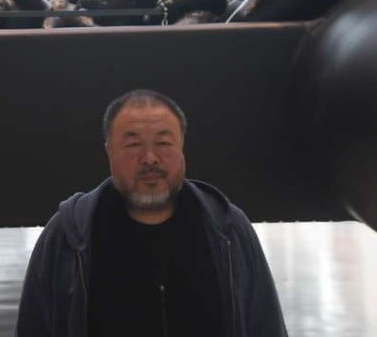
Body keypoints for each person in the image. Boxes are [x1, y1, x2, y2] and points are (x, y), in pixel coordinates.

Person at [15, 89, 287, 336]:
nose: (149, 158)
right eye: (133, 145)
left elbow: (266, 325)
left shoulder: (227, 229)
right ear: (110, 151)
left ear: (182, 148)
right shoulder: (69, 234)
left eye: (164, 143)